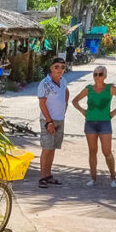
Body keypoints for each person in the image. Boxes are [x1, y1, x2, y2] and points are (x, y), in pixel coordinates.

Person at [71, 65, 116, 187]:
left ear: (105, 76)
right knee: (92, 151)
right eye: (95, 74)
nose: (97, 77)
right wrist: (82, 111)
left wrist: (115, 111)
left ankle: (113, 178)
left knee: (107, 152)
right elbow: (74, 101)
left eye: (100, 74)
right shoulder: (88, 89)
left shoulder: (110, 88)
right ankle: (93, 179)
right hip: (90, 123)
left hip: (105, 122)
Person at [36, 57, 69, 188]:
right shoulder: (44, 83)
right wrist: (49, 121)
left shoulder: (63, 81)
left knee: (53, 148)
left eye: (62, 67)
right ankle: (43, 177)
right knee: (46, 148)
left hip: (60, 119)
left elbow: (66, 92)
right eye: (57, 67)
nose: (60, 70)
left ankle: (48, 175)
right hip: (48, 120)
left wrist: (64, 108)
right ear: (51, 68)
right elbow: (42, 103)